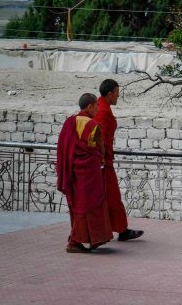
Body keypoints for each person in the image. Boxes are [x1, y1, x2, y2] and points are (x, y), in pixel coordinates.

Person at [57, 93, 113, 253]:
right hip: (89, 172)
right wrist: (101, 157)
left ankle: (92, 239)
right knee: (89, 205)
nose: (98, 108)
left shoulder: (70, 122)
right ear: (90, 107)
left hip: (73, 171)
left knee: (80, 204)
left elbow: (64, 147)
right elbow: (98, 148)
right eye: (97, 105)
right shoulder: (92, 124)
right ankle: (75, 241)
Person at [94, 79, 144, 241]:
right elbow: (102, 137)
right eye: (117, 93)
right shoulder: (103, 111)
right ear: (110, 94)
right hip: (102, 161)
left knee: (108, 196)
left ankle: (118, 229)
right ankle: (121, 230)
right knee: (112, 196)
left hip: (102, 159)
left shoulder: (101, 106)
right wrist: (102, 158)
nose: (118, 97)